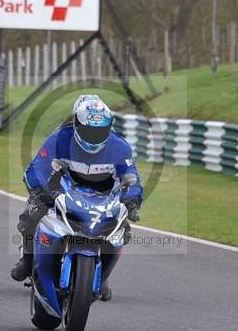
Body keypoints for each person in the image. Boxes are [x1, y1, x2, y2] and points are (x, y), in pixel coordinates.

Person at [10, 95, 143, 300]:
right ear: (77, 125)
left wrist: (132, 201)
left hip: (102, 197)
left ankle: (102, 277)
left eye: (100, 130)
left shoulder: (120, 147)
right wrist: (39, 191)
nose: (95, 136)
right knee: (31, 214)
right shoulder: (59, 139)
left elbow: (131, 177)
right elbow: (37, 168)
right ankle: (28, 259)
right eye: (90, 130)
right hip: (62, 191)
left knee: (122, 230)